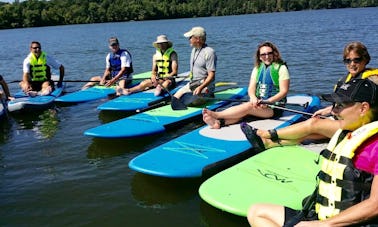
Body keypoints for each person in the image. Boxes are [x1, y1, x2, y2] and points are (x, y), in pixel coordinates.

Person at [247, 77, 378, 227]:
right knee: (257, 212)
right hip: (323, 216)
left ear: (363, 108)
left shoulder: (375, 146)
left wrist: (325, 224)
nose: (333, 111)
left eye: (340, 105)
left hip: (345, 223)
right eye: (333, 105)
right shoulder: (347, 133)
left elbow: (375, 206)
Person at [245, 41, 378, 149]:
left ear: (365, 60)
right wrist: (326, 110)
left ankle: (267, 134)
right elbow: (345, 104)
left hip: (359, 127)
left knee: (313, 123)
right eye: (348, 61)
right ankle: (270, 144)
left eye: (356, 60)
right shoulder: (345, 80)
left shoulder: (372, 79)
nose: (352, 64)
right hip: (344, 120)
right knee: (307, 134)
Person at [202, 41, 290, 129]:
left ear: (274, 53)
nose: (267, 57)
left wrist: (268, 102)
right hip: (259, 104)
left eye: (269, 53)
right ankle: (219, 122)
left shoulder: (281, 68)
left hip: (274, 108)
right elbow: (251, 88)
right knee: (243, 112)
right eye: (263, 54)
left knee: (248, 107)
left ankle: (216, 115)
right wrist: (253, 97)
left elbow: (284, 91)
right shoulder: (257, 69)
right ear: (259, 57)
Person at [172, 26, 216, 106]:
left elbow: (211, 76)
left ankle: (209, 95)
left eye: (190, 37)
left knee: (190, 102)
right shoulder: (194, 50)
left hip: (205, 87)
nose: (189, 40)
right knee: (174, 99)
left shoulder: (209, 52)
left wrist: (201, 87)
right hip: (193, 84)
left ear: (198, 39)